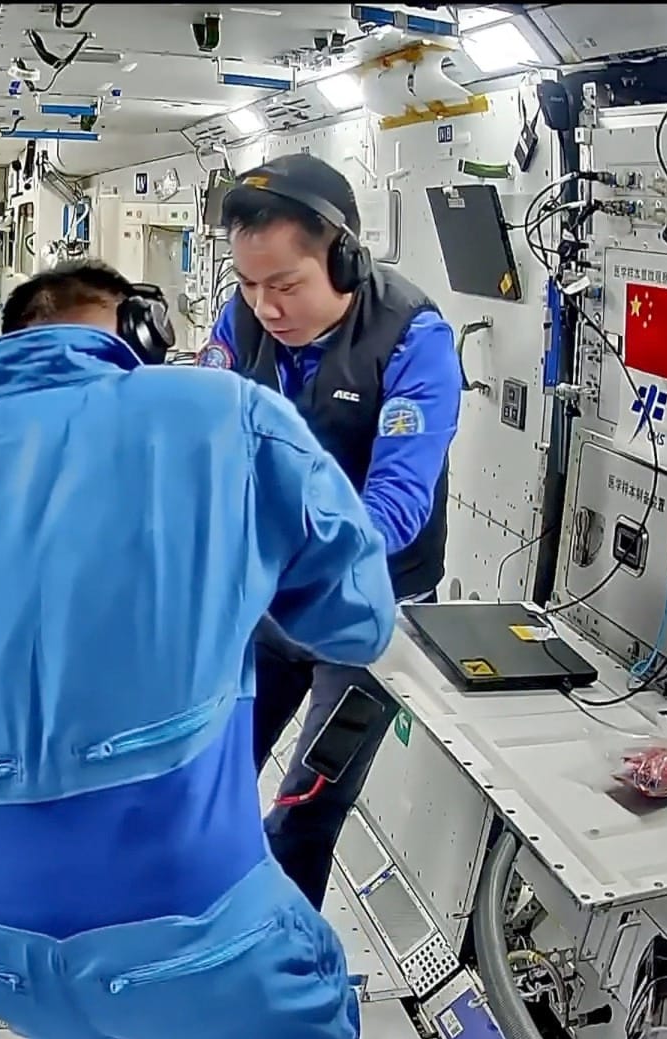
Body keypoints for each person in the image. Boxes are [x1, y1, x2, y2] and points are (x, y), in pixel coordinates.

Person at [0, 260, 395, 1039]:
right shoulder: (229, 415)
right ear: (141, 333)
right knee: (303, 984)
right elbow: (358, 622)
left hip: (4, 954)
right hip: (200, 937)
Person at [199, 152, 463, 909]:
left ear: (343, 259)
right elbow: (204, 439)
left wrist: (292, 558)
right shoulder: (241, 321)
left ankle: (282, 964)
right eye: (249, 285)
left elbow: (397, 505)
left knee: (307, 810)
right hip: (265, 605)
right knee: (206, 776)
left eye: (286, 286)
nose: (266, 307)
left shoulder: (411, 338)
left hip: (370, 613)